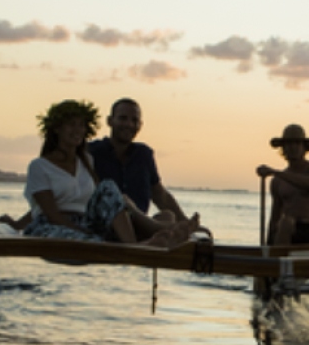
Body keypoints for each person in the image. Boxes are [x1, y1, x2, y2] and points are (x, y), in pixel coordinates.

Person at [11, 99, 198, 247]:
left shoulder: (90, 160)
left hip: (106, 223)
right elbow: (50, 207)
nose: (77, 130)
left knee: (161, 212)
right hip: (68, 226)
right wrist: (18, 225)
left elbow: (159, 194)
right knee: (115, 212)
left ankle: (152, 238)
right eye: (71, 124)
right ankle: (146, 242)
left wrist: (185, 222)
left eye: (81, 126)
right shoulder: (52, 163)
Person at [88, 97, 189, 225]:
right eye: (123, 118)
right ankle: (158, 233)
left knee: (168, 216)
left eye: (134, 120)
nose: (129, 124)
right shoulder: (92, 152)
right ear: (110, 121)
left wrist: (186, 222)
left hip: (139, 225)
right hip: (105, 224)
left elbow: (160, 195)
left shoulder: (143, 155)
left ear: (140, 125)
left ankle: (157, 233)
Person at [256, 123, 309, 246]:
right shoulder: (277, 181)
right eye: (289, 144)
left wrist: (274, 172)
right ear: (283, 148)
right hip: (290, 230)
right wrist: (268, 245)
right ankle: (278, 259)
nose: (293, 147)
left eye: (297, 143)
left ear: (304, 147)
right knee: (285, 222)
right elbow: (275, 215)